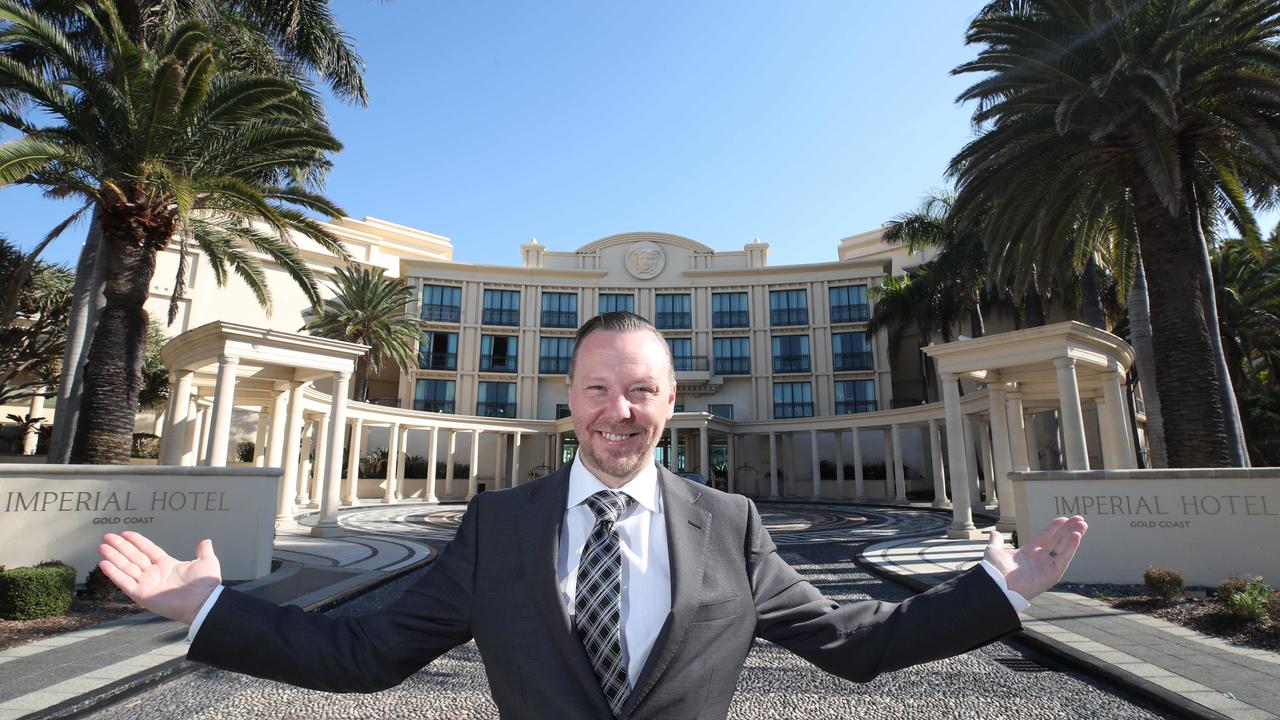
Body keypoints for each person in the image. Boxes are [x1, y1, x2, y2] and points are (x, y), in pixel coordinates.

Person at [98, 311, 1087, 720]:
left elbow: (857, 645)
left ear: (667, 403)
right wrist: (209, 609)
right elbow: (364, 656)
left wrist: (1000, 589)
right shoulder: (498, 527)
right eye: (601, 388)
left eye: (643, 390)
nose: (623, 410)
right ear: (570, 400)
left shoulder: (731, 525)